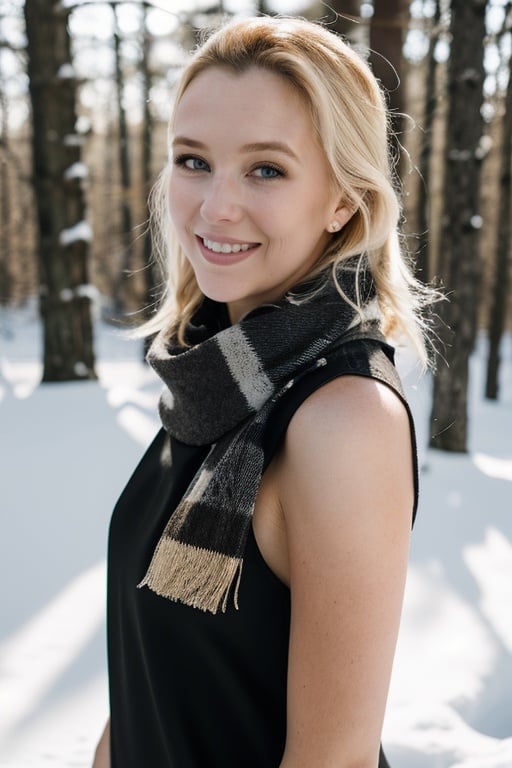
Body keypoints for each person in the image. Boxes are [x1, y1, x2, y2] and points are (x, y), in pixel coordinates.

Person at [93, 14, 434, 768]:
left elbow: (330, 762)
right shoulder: (209, 385)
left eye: (267, 169)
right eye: (193, 160)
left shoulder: (342, 419)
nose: (216, 206)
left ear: (344, 200)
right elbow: (155, 676)